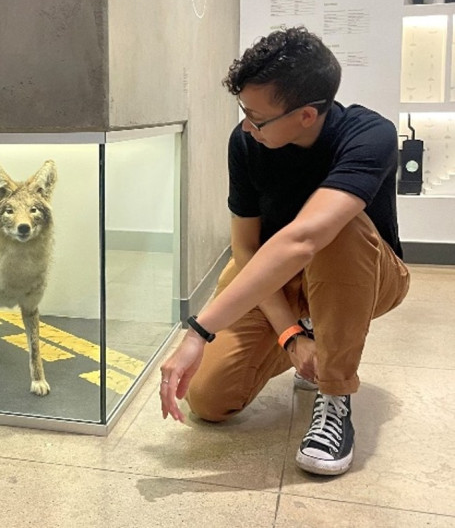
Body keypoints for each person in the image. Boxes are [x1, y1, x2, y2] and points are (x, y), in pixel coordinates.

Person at [159, 26, 410, 476]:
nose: (247, 126)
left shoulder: (369, 135)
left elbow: (304, 240)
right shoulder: (246, 143)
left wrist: (198, 331)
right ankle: (311, 335)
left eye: (257, 117)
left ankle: (334, 393)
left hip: (369, 274)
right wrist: (291, 336)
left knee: (335, 229)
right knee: (210, 400)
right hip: (280, 280)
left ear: (307, 116)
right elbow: (246, 249)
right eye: (243, 112)